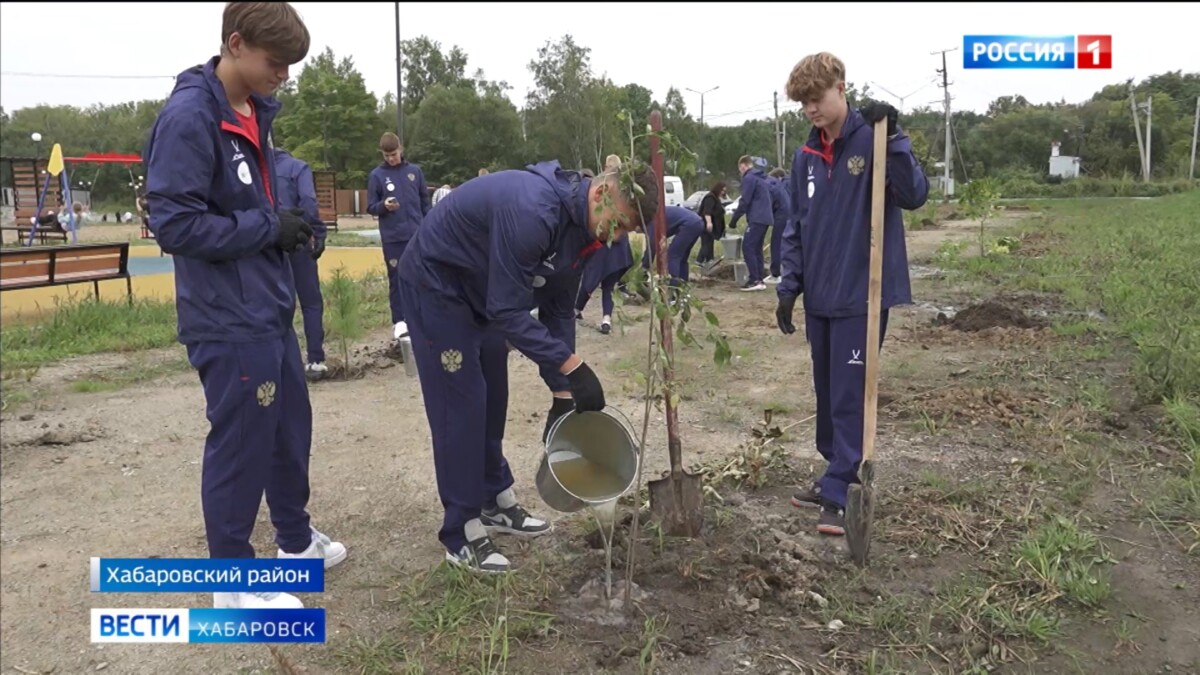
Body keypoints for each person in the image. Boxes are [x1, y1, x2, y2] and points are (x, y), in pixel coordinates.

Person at [142, 1, 346, 609]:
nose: (283, 74)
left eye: (289, 65)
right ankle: (231, 587)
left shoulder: (254, 111)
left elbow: (244, 205)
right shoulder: (188, 117)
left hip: (267, 307)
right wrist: (265, 228)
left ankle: (295, 541)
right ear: (235, 44)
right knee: (240, 445)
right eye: (275, 62)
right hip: (226, 317)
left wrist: (290, 228)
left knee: (288, 430)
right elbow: (174, 224)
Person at [397, 159, 659, 573]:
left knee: (494, 394)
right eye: (622, 224)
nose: (618, 238)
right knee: (461, 405)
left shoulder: (583, 232)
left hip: (481, 292)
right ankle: (461, 528)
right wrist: (572, 364)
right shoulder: (533, 211)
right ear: (602, 194)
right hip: (438, 286)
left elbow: (558, 312)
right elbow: (507, 311)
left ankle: (493, 497)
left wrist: (562, 389)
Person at [775, 52, 929, 536]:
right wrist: (788, 285)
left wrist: (897, 138)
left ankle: (844, 487)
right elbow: (796, 226)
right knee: (827, 392)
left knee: (849, 394)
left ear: (841, 88)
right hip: (820, 294)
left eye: (816, 100)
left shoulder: (876, 139)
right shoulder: (806, 157)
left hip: (861, 294)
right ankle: (832, 471)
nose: (810, 111)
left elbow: (914, 194)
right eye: (802, 104)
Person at [367, 132, 430, 341]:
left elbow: (424, 203)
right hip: (393, 237)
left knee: (421, 276)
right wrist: (383, 206)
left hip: (417, 236)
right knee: (397, 278)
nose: (391, 159)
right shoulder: (377, 175)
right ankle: (400, 321)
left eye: (393, 154)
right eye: (386, 156)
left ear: (400, 150)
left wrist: (428, 227)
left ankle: (422, 316)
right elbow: (371, 207)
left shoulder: (415, 172)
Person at [274, 147, 328, 380]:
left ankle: (281, 361)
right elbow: (308, 200)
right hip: (297, 239)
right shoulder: (298, 167)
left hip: (267, 242)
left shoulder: (258, 168)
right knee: (310, 301)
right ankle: (315, 359)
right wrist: (317, 230)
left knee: (275, 302)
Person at [728, 155, 774, 291]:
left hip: (757, 217)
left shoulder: (749, 178)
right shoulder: (761, 178)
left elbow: (745, 201)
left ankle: (755, 279)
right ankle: (759, 278)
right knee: (756, 248)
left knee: (748, 246)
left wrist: (734, 220)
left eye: (740, 170)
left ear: (743, 166)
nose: (740, 172)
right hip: (765, 217)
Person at [575, 231, 634, 335]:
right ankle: (606, 321)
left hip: (601, 252)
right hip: (618, 255)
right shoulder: (621, 218)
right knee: (608, 287)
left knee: (589, 283)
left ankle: (576, 310)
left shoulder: (603, 217)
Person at [765, 168, 791, 285]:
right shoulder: (792, 182)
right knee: (789, 244)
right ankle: (788, 271)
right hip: (792, 216)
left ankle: (776, 273)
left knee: (776, 243)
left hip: (782, 216)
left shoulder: (782, 184)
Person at [696, 181, 728, 268]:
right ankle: (700, 260)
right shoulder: (710, 198)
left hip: (713, 225)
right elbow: (707, 211)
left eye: (724, 191)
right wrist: (709, 223)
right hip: (707, 224)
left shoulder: (715, 199)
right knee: (706, 243)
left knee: (710, 243)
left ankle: (709, 260)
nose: (723, 193)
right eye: (722, 190)